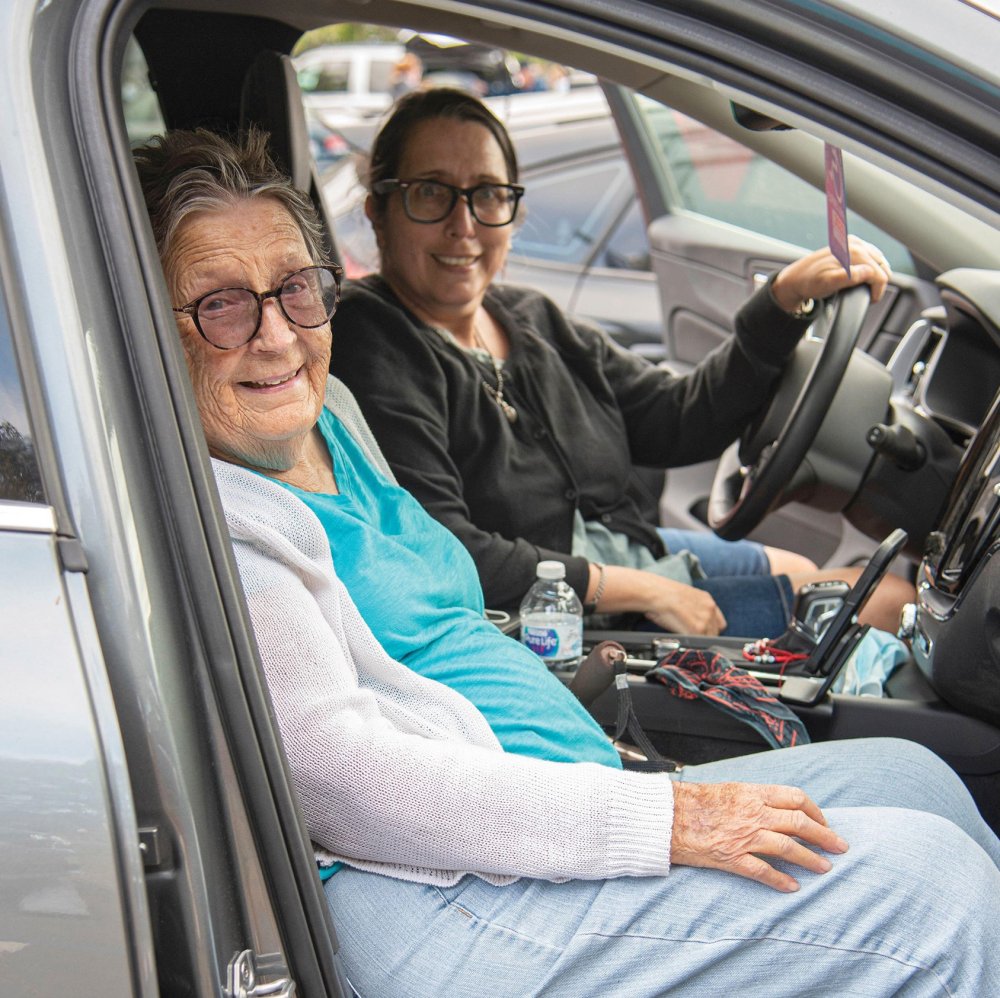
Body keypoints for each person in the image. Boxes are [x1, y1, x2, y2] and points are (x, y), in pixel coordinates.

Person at [133, 127, 1000, 996]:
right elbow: (347, 783)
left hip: (549, 795)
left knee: (915, 776)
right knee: (937, 893)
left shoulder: (339, 411)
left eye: (294, 288)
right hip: (441, 887)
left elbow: (672, 417)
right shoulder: (230, 519)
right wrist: (660, 814)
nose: (277, 336)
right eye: (220, 304)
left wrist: (775, 311)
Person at [330, 88, 914, 638]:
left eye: (488, 194)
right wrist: (635, 589)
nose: (464, 226)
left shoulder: (530, 317)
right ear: (379, 210)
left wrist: (782, 304)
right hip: (564, 622)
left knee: (803, 565)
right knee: (889, 602)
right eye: (431, 192)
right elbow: (443, 549)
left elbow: (677, 419)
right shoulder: (371, 341)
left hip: (629, 555)